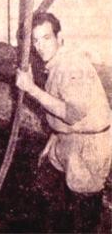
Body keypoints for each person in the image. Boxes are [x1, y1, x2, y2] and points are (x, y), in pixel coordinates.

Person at [16, 12, 111, 232]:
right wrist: (54, 139)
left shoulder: (73, 66)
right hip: (67, 138)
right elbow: (61, 107)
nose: (40, 46)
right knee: (48, 180)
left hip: (89, 146)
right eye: (35, 40)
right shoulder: (56, 63)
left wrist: (31, 89)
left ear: (60, 38)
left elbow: (72, 113)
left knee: (83, 208)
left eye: (46, 38)